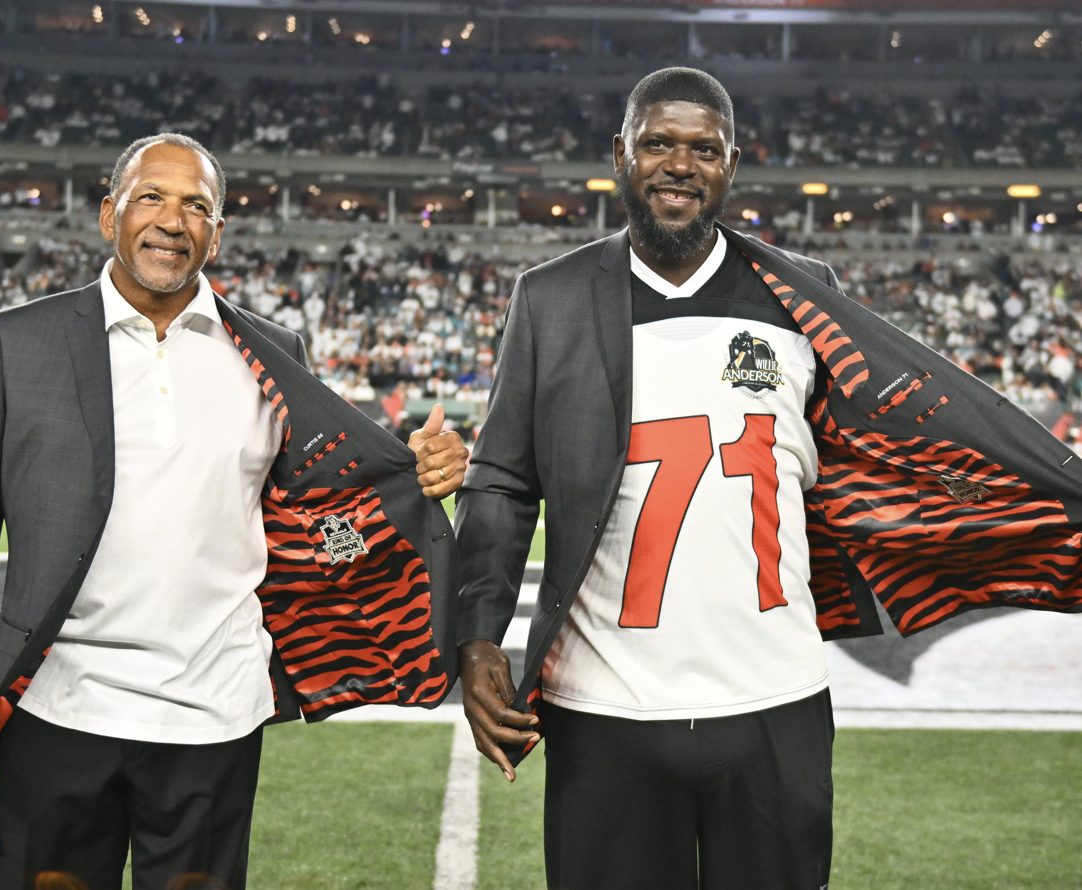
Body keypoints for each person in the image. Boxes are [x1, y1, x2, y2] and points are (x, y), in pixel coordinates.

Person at [455, 67, 1082, 890]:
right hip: (602, 704)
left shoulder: (801, 294)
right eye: (658, 143)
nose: (680, 164)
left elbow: (881, 451)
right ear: (620, 154)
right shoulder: (552, 298)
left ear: (732, 164)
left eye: (703, 149)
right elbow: (501, 480)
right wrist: (476, 635)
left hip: (774, 700)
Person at [0, 132, 469, 890]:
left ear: (218, 231)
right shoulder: (18, 343)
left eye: (196, 206)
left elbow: (330, 506)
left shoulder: (273, 352)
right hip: (53, 711)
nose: (173, 220)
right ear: (110, 214)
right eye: (151, 197)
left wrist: (425, 468)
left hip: (214, 716)